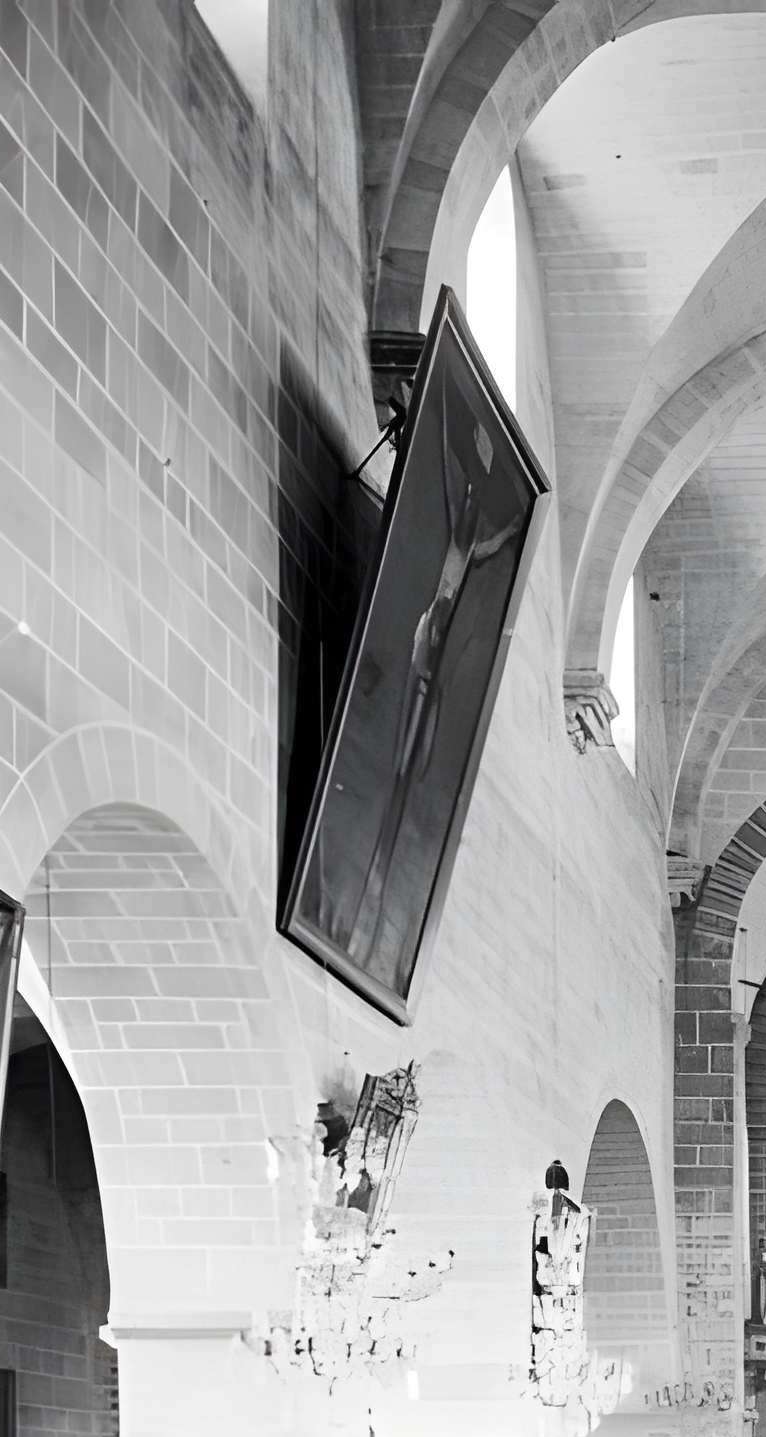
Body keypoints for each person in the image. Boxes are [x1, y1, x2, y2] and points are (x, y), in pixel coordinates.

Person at [346, 363, 530, 985]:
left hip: (435, 652)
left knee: (418, 757)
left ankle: (405, 783)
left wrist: (505, 533)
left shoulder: (473, 543)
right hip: (426, 641)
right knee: (407, 748)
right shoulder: (460, 540)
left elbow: (498, 537)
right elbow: (482, 542)